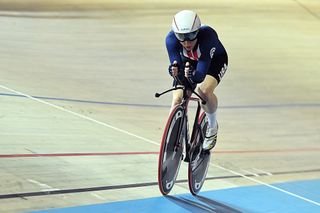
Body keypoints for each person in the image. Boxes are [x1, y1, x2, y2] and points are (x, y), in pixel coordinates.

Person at [165, 10, 228, 150]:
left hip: (214, 61)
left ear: (198, 31)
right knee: (177, 98)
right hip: (190, 62)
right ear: (175, 34)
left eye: (191, 36)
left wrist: (192, 75)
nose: (187, 42)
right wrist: (173, 70)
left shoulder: (208, 36)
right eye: (182, 37)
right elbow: (176, 68)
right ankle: (172, 134)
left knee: (204, 92)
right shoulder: (171, 40)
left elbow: (199, 76)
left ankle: (212, 126)